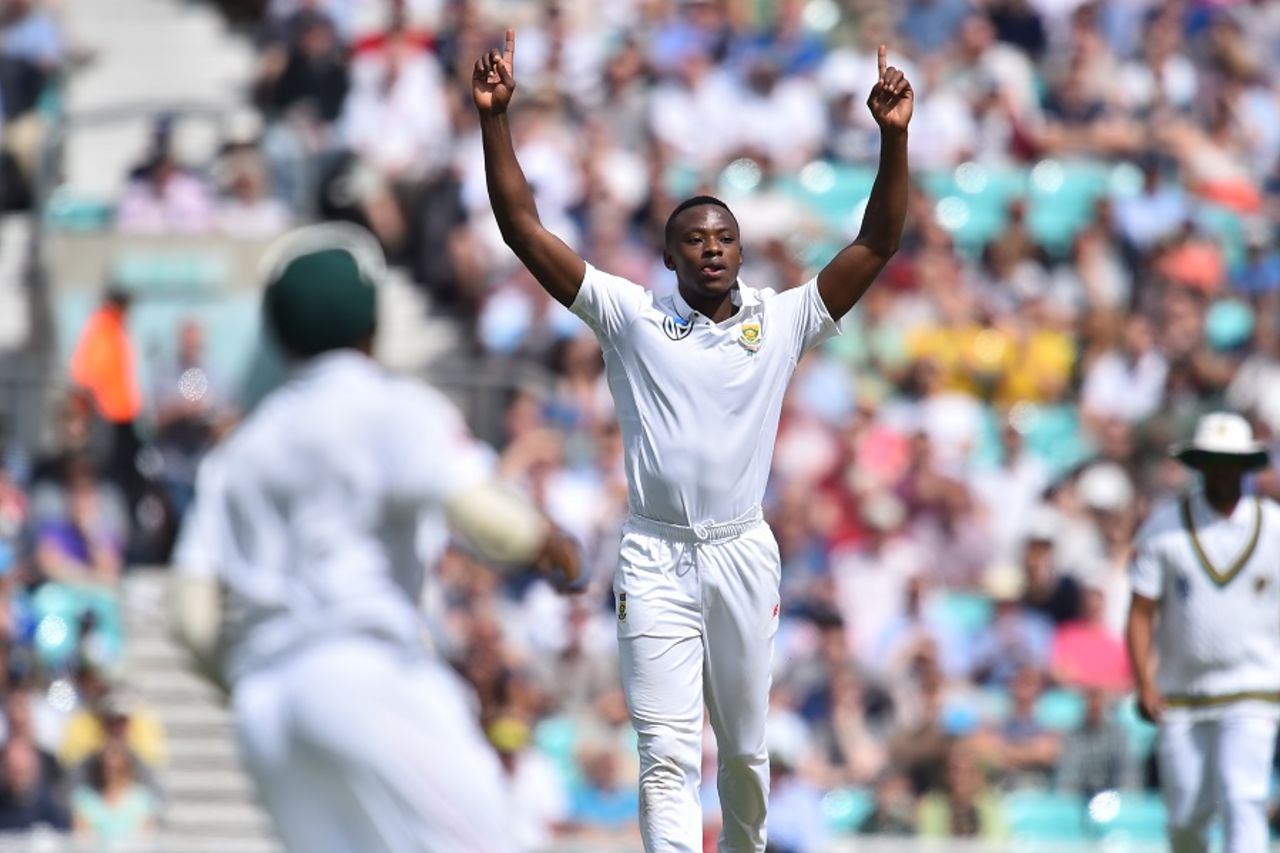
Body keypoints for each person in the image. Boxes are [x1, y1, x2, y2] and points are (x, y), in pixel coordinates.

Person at [475, 29, 911, 853]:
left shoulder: (780, 320)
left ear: (741, 250)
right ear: (670, 257)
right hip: (654, 552)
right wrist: (497, 119)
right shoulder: (632, 317)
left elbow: (878, 244)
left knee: (744, 750)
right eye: (695, 240)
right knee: (666, 750)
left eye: (725, 238)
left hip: (742, 549)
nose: (713, 247)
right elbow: (523, 229)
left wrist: (892, 138)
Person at [169, 222, 582, 853]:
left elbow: (191, 618)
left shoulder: (239, 453)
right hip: (361, 672)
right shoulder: (392, 407)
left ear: (278, 336)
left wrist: (254, 678)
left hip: (265, 713)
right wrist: (546, 542)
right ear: (372, 325)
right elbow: (488, 517)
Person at [1126, 412, 1280, 853]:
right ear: (1200, 463)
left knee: (1242, 797)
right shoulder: (1163, 529)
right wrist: (1145, 682)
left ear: (1247, 466)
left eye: (1232, 462)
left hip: (1254, 688)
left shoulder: (1273, 527)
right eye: (1214, 460)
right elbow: (1140, 612)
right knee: (1186, 817)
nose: (1224, 471)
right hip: (1183, 695)